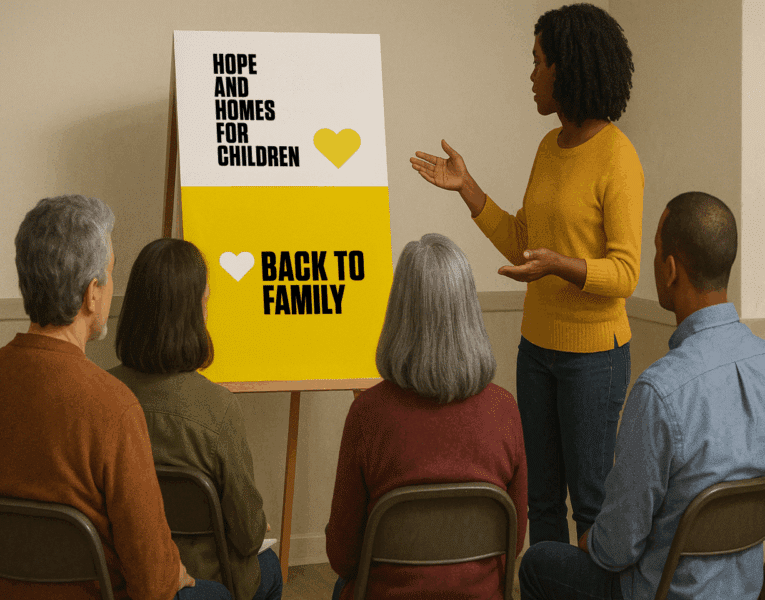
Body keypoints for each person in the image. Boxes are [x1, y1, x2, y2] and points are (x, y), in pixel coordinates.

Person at [410, 3, 642, 545]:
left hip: (594, 358)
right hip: (536, 350)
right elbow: (523, 240)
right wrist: (466, 188)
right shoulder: (548, 147)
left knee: (589, 502)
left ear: (568, 68)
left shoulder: (617, 157)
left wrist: (560, 265)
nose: (531, 74)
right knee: (539, 498)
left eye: (538, 60)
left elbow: (626, 272)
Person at [0, 195, 230, 600]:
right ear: (92, 295)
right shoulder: (113, 406)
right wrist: (177, 575)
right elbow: (154, 583)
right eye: (109, 274)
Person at [519, 192, 765, 599]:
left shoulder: (660, 391)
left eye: (654, 249)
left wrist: (588, 543)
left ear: (669, 269)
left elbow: (616, 549)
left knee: (539, 562)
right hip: (744, 589)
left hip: (659, 592)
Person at [325, 233, 527, 600]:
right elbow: (513, 545)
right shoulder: (505, 410)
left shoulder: (367, 415)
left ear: (398, 313)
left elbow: (342, 556)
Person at [108, 238, 282, 600]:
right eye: (205, 300)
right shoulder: (217, 409)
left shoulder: (102, 394)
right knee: (270, 568)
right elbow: (249, 535)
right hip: (207, 580)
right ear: (195, 312)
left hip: (122, 576)